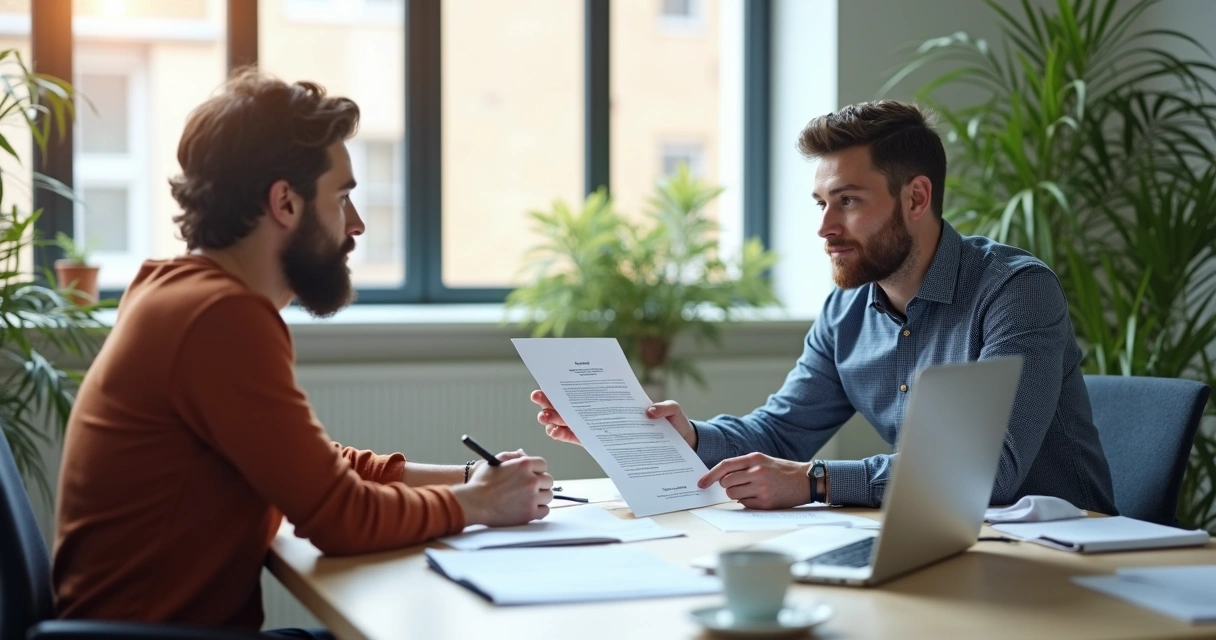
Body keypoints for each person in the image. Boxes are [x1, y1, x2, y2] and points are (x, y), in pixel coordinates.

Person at [52, 68, 553, 636]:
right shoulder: (219, 318)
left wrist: (467, 477)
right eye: (342, 199)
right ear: (285, 202)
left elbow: (317, 468)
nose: (357, 225)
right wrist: (478, 504)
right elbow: (341, 517)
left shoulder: (174, 290)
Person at [532, 100, 1117, 515]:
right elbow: (782, 432)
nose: (825, 228)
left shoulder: (1014, 292)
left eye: (848, 202)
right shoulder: (848, 310)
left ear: (916, 197)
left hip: (1062, 559)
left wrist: (815, 483)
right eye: (820, 202)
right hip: (941, 546)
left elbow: (988, 471)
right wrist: (685, 436)